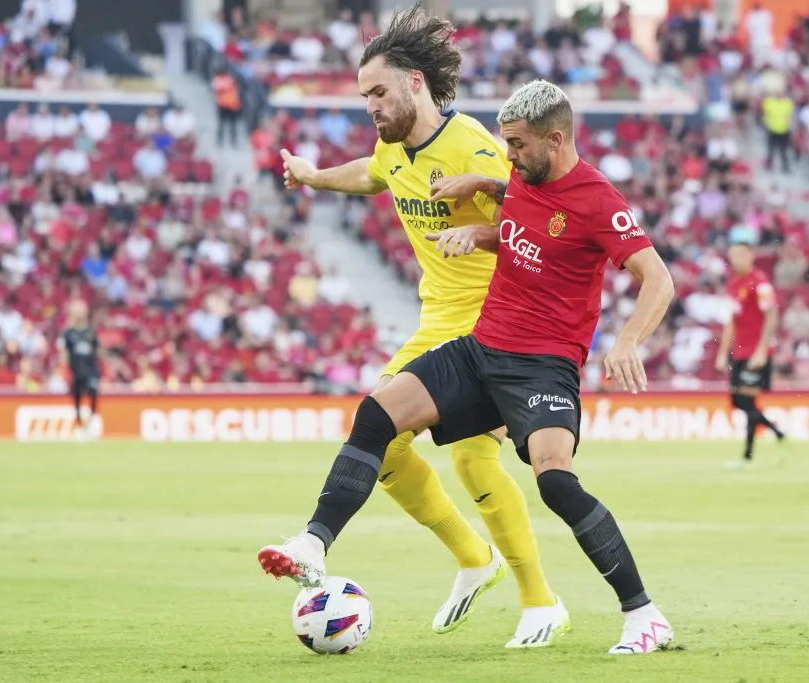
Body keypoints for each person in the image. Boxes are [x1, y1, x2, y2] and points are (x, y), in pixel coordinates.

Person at [260, 79, 677, 654]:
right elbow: (521, 234)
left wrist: (629, 341)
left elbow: (659, 277)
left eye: (517, 145)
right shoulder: (521, 181)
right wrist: (481, 216)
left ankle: (644, 615)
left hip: (543, 366)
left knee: (555, 481)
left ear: (555, 141)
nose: (508, 155)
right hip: (480, 351)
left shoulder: (597, 200)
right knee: (378, 414)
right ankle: (313, 541)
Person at [265, 6, 564, 647]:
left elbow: (543, 224)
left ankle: (536, 597)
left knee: (464, 457)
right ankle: (480, 563)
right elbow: (373, 174)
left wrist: (483, 220)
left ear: (416, 84)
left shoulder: (477, 146)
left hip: (492, 325)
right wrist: (315, 175)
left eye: (378, 91)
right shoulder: (394, 147)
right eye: (363, 96)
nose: (370, 105)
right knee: (396, 445)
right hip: (437, 324)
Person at [715, 237, 785, 465]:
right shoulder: (734, 285)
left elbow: (772, 315)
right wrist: (723, 352)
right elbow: (731, 322)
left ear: (751, 256)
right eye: (733, 256)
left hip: (756, 352)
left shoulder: (760, 282)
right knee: (739, 400)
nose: (736, 260)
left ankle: (748, 455)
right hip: (740, 351)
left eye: (741, 255)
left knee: (746, 400)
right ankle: (776, 433)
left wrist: (762, 350)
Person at [59, 300, 99, 432]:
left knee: (93, 392)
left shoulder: (91, 331)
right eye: (77, 311)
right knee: (77, 396)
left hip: (90, 370)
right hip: (76, 370)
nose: (80, 313)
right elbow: (64, 353)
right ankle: (79, 422)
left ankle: (92, 418)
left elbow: (98, 351)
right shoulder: (68, 333)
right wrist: (64, 371)